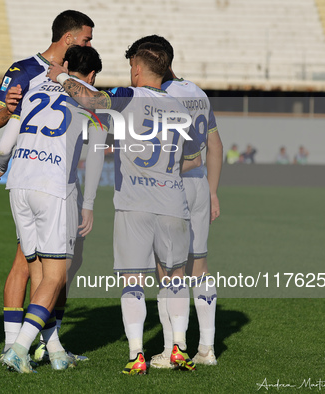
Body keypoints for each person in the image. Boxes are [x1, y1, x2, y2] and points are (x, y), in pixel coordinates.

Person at [48, 42, 202, 375]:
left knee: (133, 281)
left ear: (136, 68)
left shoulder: (126, 94)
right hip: (174, 202)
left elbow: (90, 100)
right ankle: (177, 348)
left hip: (135, 203)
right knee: (174, 278)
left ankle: (137, 355)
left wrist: (61, 78)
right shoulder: (182, 108)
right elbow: (192, 160)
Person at [0, 10, 94, 363]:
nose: (90, 44)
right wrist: (9, 106)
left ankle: (53, 348)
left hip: (24, 180)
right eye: (87, 39)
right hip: (48, 181)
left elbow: (5, 142)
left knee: (44, 267)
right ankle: (14, 344)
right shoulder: (24, 70)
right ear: (70, 37)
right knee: (35, 267)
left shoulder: (70, 78)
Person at [124, 35, 223, 369]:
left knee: (168, 271)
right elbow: (215, 145)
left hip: (171, 187)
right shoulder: (196, 92)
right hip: (198, 186)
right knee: (200, 268)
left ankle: (172, 349)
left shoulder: (157, 95)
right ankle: (207, 348)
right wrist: (212, 190)